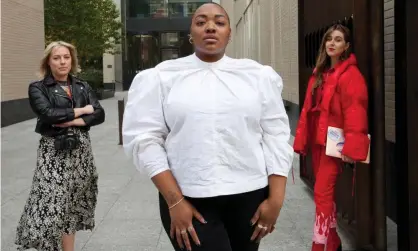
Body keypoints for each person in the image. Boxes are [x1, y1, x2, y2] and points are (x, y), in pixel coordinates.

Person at [123, 3, 293, 251]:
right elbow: (144, 140)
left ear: (229, 33)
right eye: (201, 22)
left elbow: (275, 135)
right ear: (191, 33)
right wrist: (174, 201)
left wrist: (276, 199)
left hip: (249, 196)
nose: (210, 27)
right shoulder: (162, 77)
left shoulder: (257, 76)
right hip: (188, 197)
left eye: (219, 22)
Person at [15, 41, 105, 251]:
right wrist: (83, 111)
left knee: (71, 205)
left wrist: (72, 120)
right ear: (48, 61)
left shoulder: (82, 85)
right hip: (53, 151)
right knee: (49, 204)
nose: (62, 61)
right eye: (57, 58)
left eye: (66, 57)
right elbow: (48, 114)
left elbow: (99, 113)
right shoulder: (38, 87)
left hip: (80, 151)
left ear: (72, 59)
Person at [293, 24, 370, 251]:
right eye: (329, 39)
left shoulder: (350, 76)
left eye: (338, 40)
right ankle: (333, 240)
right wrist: (302, 139)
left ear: (346, 46)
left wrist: (352, 147)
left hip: (334, 144)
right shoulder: (320, 74)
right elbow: (309, 110)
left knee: (321, 193)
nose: (332, 43)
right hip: (318, 142)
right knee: (322, 194)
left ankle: (319, 245)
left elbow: (355, 111)